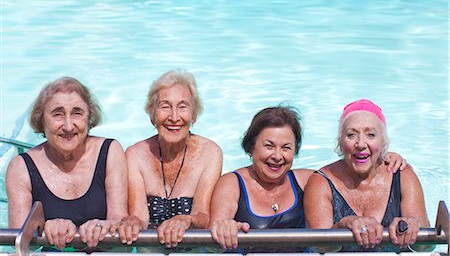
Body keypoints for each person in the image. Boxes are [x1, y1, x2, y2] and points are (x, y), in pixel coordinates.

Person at [209, 105, 407, 252]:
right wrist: (224, 227)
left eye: (286, 148)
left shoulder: (307, 180)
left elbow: (346, 169)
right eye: (269, 146)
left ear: (295, 152)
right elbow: (213, 241)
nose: (277, 156)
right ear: (251, 147)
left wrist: (383, 159)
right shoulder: (232, 184)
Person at [6, 77, 128, 250]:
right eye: (58, 114)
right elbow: (18, 240)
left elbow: (118, 221)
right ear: (42, 120)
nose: (69, 126)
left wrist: (103, 225)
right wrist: (43, 227)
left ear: (89, 117)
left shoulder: (110, 152)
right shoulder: (21, 167)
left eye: (77, 112)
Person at [304, 99, 432, 252]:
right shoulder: (321, 182)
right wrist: (342, 225)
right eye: (351, 135)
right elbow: (319, 246)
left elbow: (426, 246)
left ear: (383, 143)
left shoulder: (403, 177)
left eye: (371, 135)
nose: (361, 144)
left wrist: (412, 226)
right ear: (340, 142)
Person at [118, 70, 223, 249]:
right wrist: (131, 222)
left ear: (194, 115)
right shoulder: (135, 154)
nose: (174, 117)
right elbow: (139, 216)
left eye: (182, 106)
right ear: (152, 116)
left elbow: (203, 215)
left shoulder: (210, 152)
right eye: (165, 106)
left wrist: (186, 219)